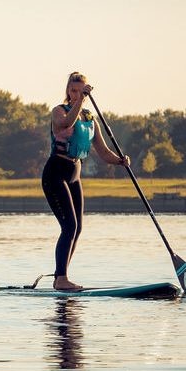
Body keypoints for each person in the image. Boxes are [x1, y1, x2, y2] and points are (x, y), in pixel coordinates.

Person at [41, 72, 131, 291]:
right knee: (69, 226)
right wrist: (80, 101)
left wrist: (120, 161)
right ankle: (61, 279)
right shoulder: (58, 112)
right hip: (55, 173)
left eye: (81, 91)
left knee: (78, 228)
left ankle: (59, 277)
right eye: (73, 91)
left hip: (74, 174)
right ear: (68, 92)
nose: (76, 95)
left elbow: (103, 151)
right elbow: (65, 124)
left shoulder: (90, 119)